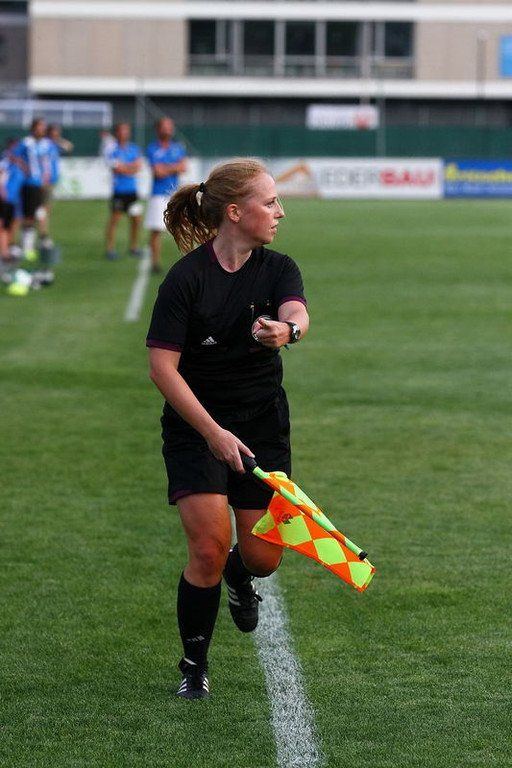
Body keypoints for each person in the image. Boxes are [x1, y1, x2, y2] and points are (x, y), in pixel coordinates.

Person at [146, 159, 309, 700]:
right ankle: (194, 666)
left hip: (262, 424)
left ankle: (243, 577)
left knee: (262, 557)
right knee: (209, 549)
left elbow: (298, 313)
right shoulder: (186, 279)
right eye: (270, 202)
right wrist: (212, 432)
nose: (280, 212)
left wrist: (287, 331)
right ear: (235, 212)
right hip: (197, 428)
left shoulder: (279, 267)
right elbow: (162, 368)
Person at [144, 117, 187, 274]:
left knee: (182, 228)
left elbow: (183, 167)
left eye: (170, 126)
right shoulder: (152, 148)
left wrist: (167, 167)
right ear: (158, 129)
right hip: (158, 194)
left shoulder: (178, 147)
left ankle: (186, 262)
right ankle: (155, 263)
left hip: (174, 194)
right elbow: (158, 172)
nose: (169, 129)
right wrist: (174, 167)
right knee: (156, 229)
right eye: (165, 126)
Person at [13, 117, 53, 260]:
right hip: (29, 183)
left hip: (42, 184)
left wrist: (47, 178)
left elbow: (47, 162)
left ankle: (41, 239)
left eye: (43, 127)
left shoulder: (46, 144)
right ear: (33, 129)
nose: (42, 130)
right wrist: (24, 167)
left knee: (41, 212)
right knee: (29, 215)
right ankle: (27, 247)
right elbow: (13, 156)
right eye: (40, 127)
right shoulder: (26, 143)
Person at [104, 123, 143, 260]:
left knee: (136, 220)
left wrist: (125, 167)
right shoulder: (112, 149)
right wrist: (129, 168)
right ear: (117, 133)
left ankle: (133, 247)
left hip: (132, 191)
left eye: (126, 131)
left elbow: (137, 166)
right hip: (119, 191)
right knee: (115, 220)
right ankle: (110, 249)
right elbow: (116, 168)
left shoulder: (134, 148)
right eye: (122, 131)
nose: (124, 133)